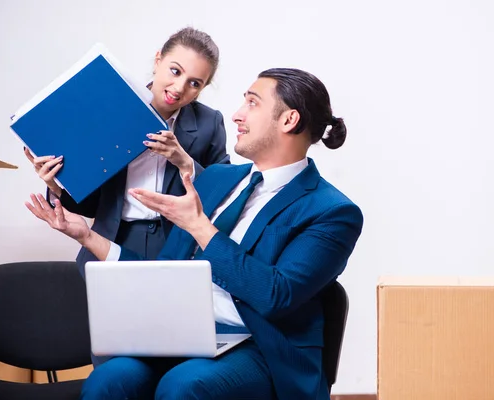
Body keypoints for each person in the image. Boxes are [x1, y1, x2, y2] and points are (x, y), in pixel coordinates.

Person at [26, 67, 363, 400]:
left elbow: (276, 296)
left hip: (259, 346)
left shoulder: (331, 211)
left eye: (252, 103)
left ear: (289, 120)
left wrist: (199, 226)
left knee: (185, 385)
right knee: (109, 380)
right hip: (180, 336)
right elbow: (165, 276)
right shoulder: (218, 178)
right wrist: (87, 236)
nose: (236, 115)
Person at [24, 27, 229, 278]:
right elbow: (90, 206)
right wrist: (57, 184)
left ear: (202, 88)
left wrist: (184, 162)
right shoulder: (110, 109)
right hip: (112, 238)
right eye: (175, 71)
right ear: (158, 60)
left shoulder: (210, 123)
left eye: (194, 83)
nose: (179, 87)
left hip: (179, 244)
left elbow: (226, 198)